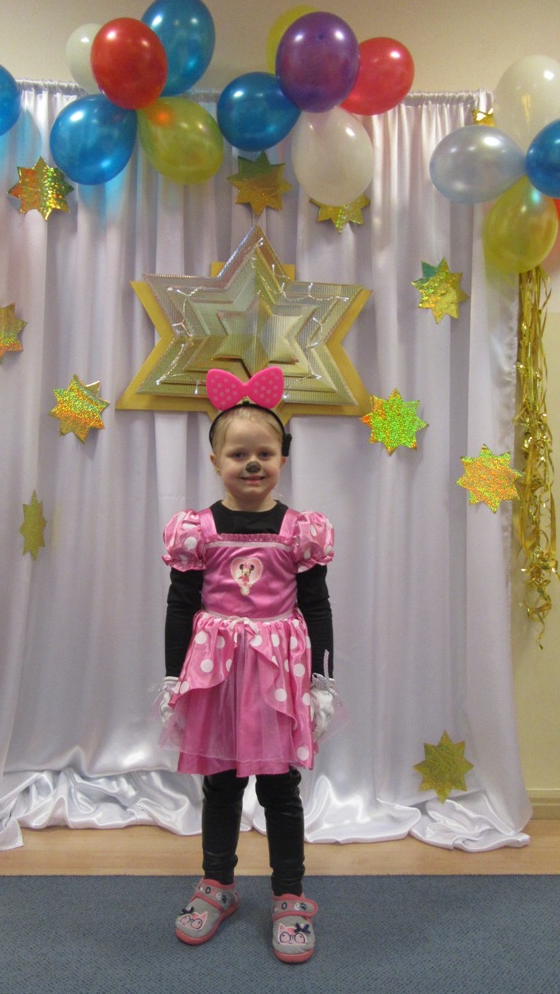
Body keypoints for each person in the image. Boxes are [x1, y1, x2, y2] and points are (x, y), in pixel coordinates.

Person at [159, 366, 337, 964]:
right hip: (217, 679)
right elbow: (180, 606)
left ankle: (289, 893)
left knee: (281, 788)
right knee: (221, 785)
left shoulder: (299, 531)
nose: (252, 464)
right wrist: (172, 677)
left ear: (283, 458)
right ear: (215, 461)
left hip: (276, 681)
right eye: (238, 454)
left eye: (265, 452)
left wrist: (322, 681)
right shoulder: (198, 531)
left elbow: (316, 607)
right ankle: (218, 884)